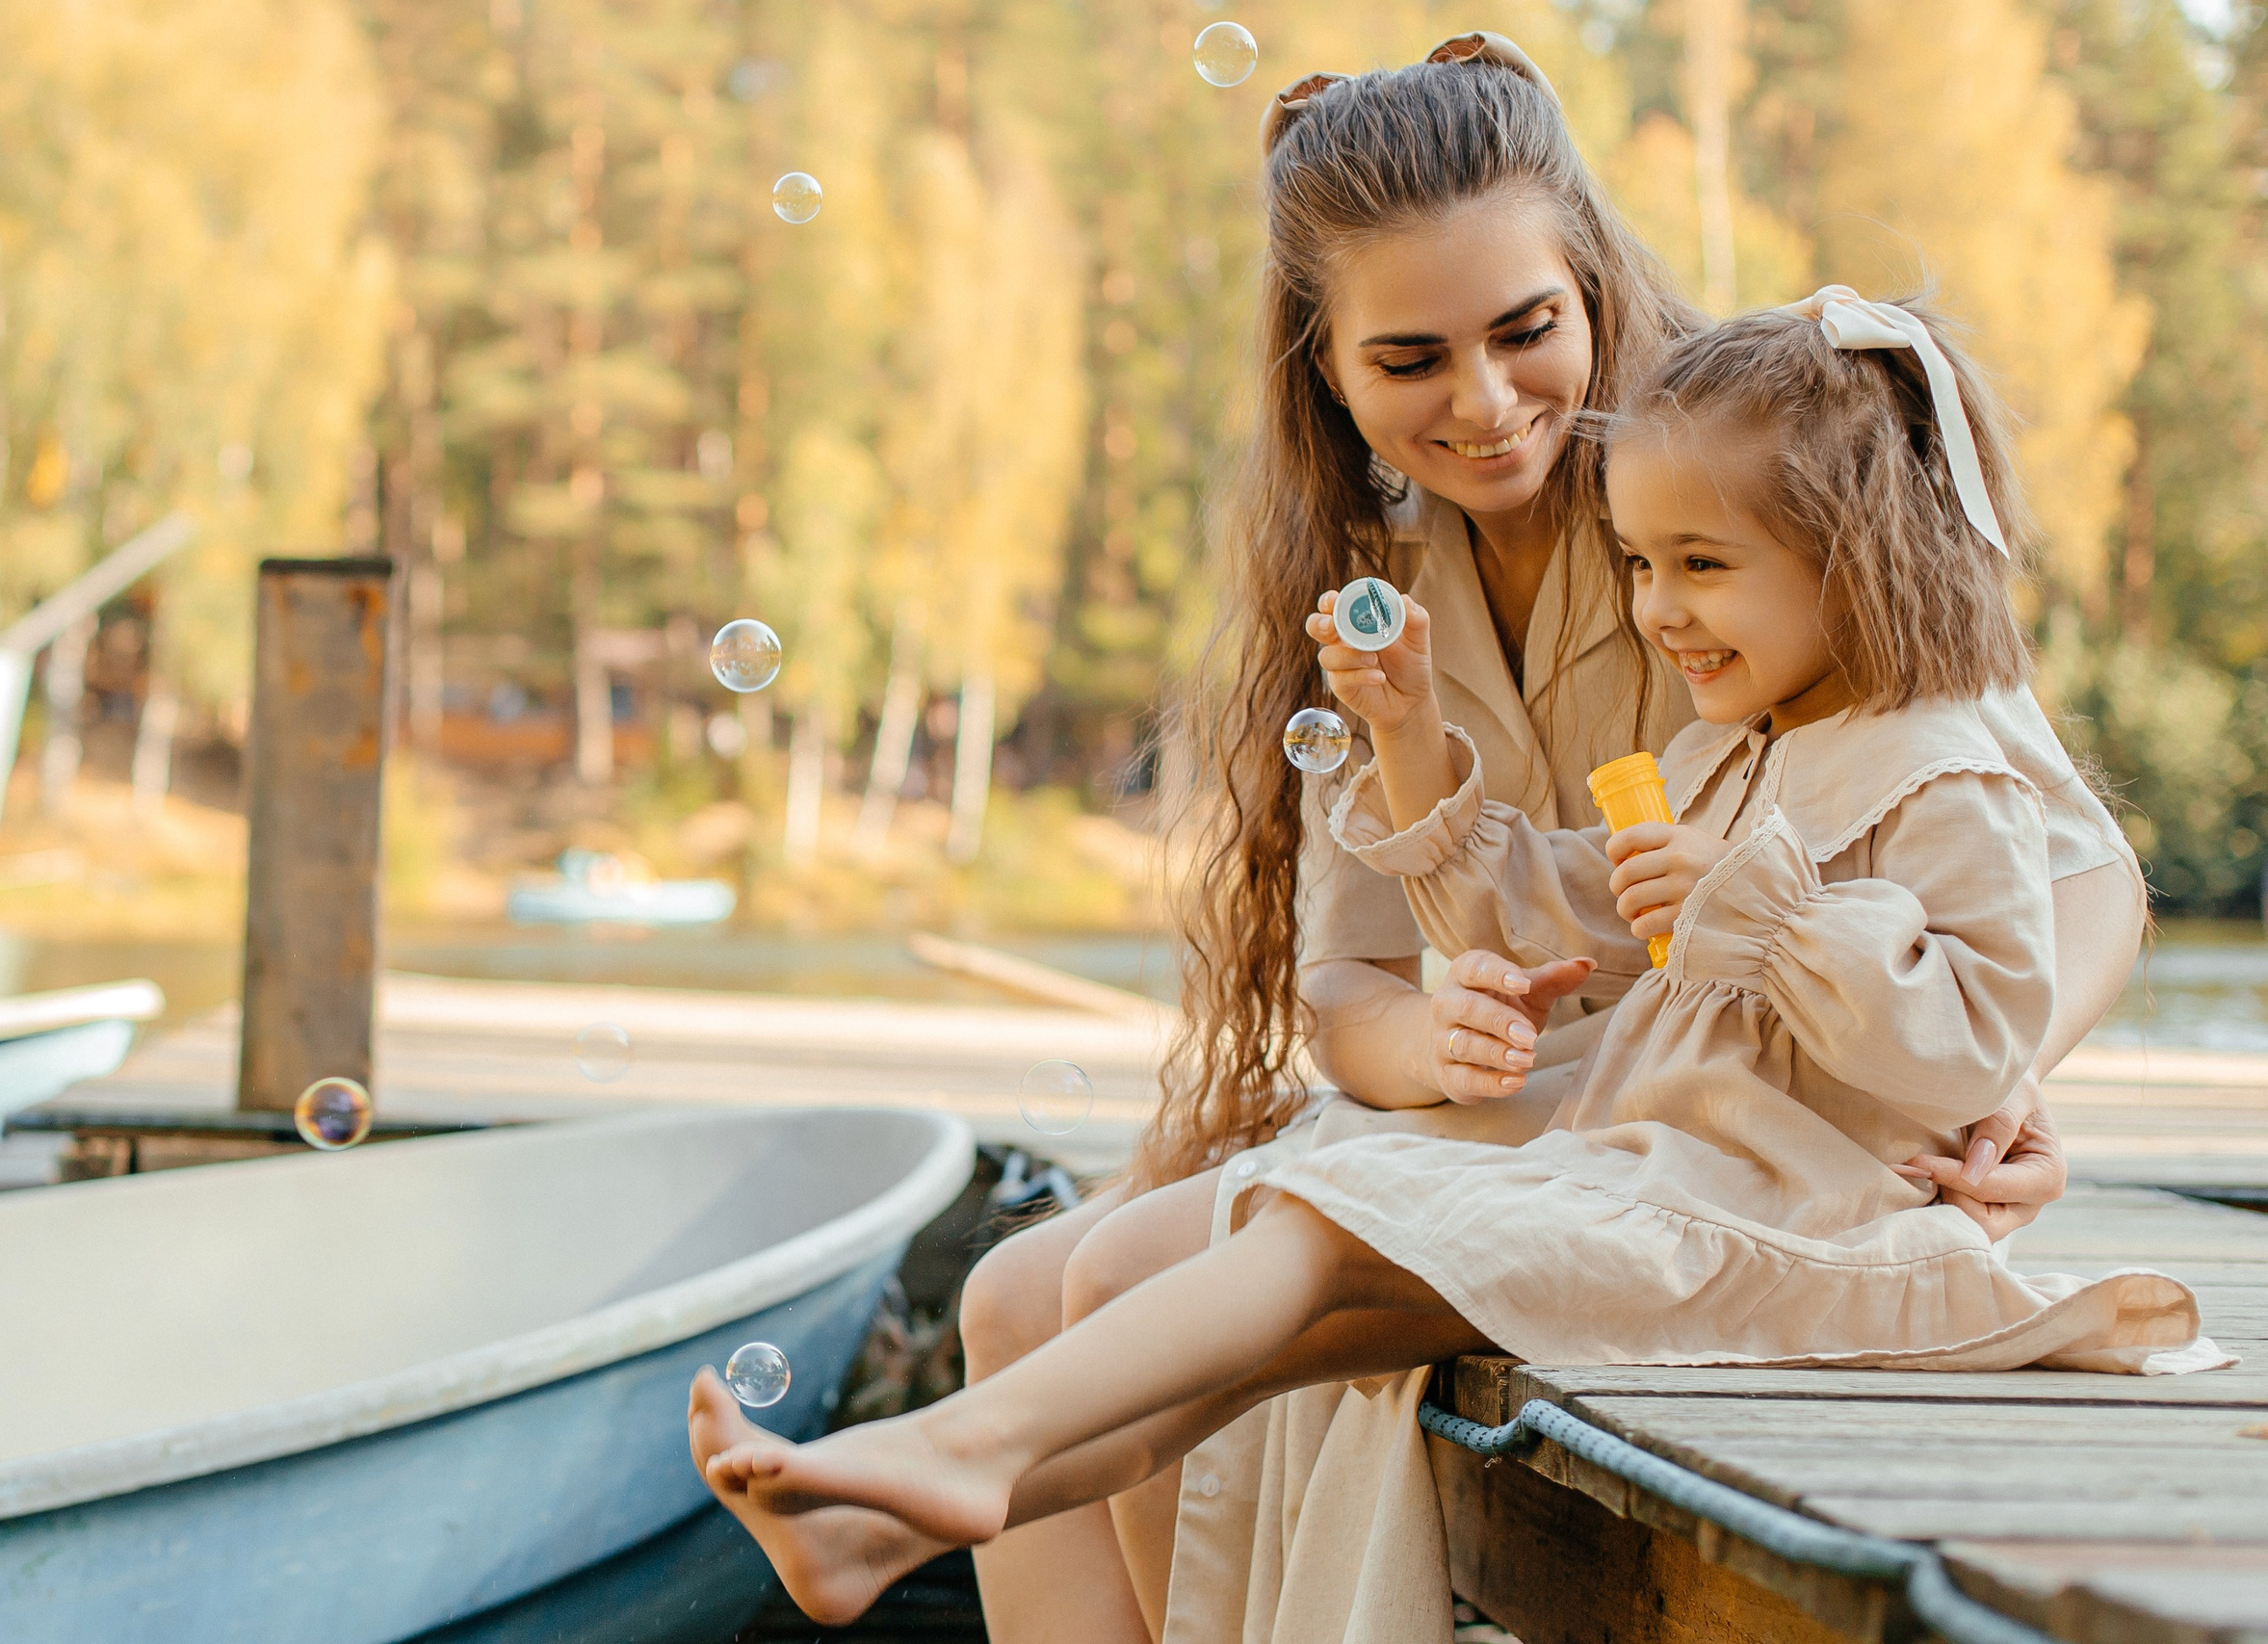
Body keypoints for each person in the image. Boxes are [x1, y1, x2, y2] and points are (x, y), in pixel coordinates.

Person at [689, 294, 2222, 1625]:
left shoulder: (1946, 774)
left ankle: (947, 1455)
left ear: (1862, 558)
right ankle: (878, 1521)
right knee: (1240, 1360)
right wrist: (1416, 738)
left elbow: (1973, 1042)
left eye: (1701, 566)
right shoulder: (1736, 755)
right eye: (1638, 565)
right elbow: (1554, 907)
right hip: (1660, 1189)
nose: (1658, 610)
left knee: (1321, 1226)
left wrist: (1770, 916)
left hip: (1804, 1234)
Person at [953, 36, 2143, 1644]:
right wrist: (1424, 1041)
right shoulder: (1373, 586)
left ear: (1590, 282)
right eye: (1410, 359)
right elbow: (1355, 993)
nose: (1488, 402)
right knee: (1006, 1292)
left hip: (1681, 1107)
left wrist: (1998, 1068)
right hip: (1508, 1106)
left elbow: (2071, 859)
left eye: (1525, 331)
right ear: (1327, 369)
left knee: (1119, 1285)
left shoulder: (1723, 493)